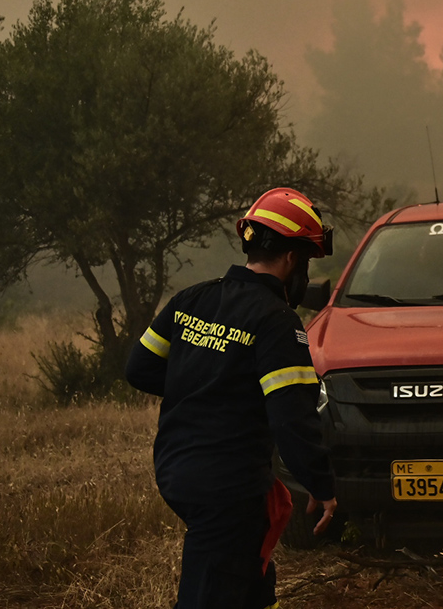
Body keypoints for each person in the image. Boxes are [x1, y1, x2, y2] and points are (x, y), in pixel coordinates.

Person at [126, 187, 337, 609]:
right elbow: (291, 418)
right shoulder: (277, 321)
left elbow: (140, 369)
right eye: (308, 261)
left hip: (177, 470)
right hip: (228, 488)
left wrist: (207, 385)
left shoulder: (192, 299)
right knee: (214, 588)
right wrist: (320, 484)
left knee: (251, 578)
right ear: (293, 259)